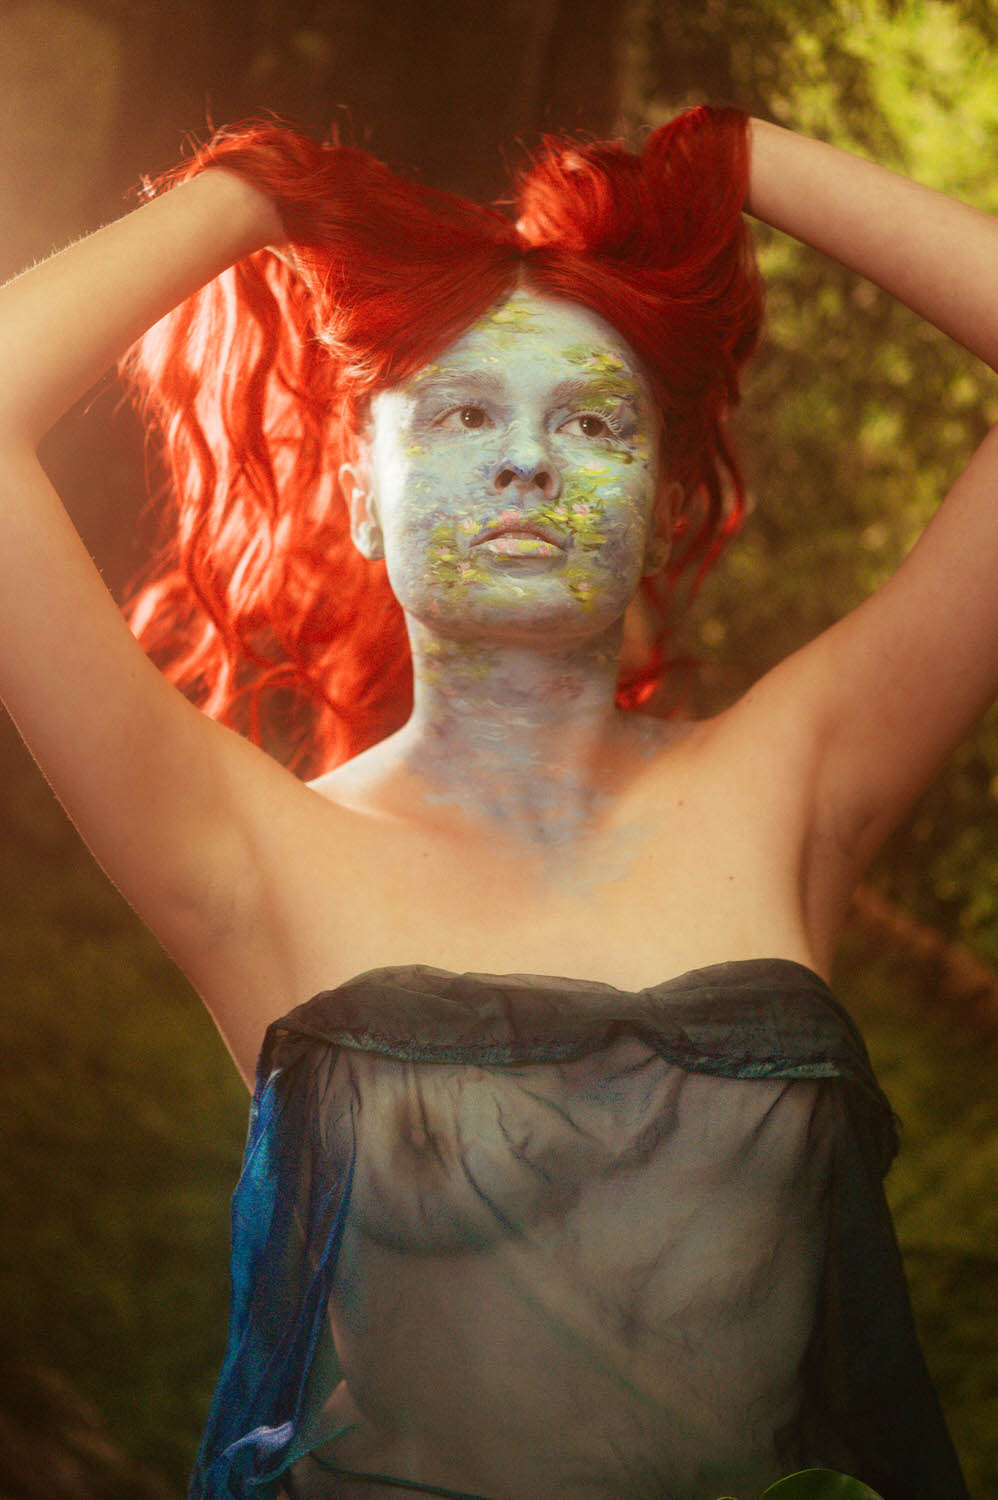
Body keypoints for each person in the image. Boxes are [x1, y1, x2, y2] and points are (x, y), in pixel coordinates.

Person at [0, 101, 985, 1500]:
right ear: (359, 487)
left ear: (658, 492)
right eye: (462, 411)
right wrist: (263, 194)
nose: (527, 461)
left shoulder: (795, 775)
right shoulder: (250, 852)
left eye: (592, 418)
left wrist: (738, 161)